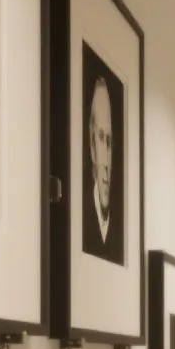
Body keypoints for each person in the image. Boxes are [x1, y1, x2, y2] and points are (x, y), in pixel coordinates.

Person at [80, 72, 124, 264]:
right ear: (91, 146)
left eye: (109, 141)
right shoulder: (84, 223)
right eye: (100, 137)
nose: (106, 161)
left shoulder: (118, 230)